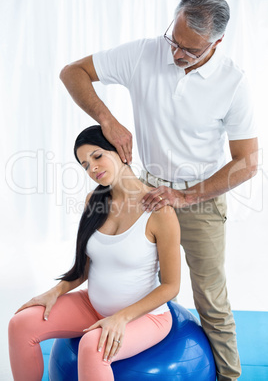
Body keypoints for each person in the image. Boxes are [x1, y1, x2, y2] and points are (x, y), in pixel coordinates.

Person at [59, 0, 258, 381]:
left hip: (201, 196)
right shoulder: (145, 53)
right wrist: (108, 119)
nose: (176, 54)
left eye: (190, 50)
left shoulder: (233, 83)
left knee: (211, 301)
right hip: (145, 189)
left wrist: (184, 196)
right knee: (131, 277)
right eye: (175, 40)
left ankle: (229, 378)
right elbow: (72, 72)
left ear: (216, 43)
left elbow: (248, 163)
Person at [8, 125, 181, 381]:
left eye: (97, 156)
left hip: (144, 317)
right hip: (92, 305)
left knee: (93, 346)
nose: (93, 169)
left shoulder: (159, 211)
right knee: (20, 324)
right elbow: (85, 268)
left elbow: (171, 286)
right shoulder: (94, 201)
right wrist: (54, 292)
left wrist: (120, 318)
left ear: (121, 152)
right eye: (85, 165)